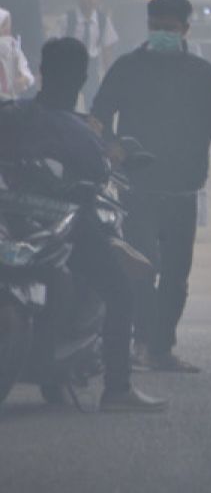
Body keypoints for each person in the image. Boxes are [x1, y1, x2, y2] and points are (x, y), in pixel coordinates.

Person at [0, 38, 166, 411]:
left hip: (12, 222)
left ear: (41, 72)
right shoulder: (79, 135)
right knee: (121, 290)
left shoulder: (12, 116)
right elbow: (97, 176)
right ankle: (118, 389)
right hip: (66, 227)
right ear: (82, 78)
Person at [92, 0, 211, 373]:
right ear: (148, 27)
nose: (163, 33)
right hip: (137, 189)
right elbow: (98, 115)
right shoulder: (127, 68)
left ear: (186, 30)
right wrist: (110, 148)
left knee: (177, 277)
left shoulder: (202, 74)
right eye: (157, 27)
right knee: (144, 269)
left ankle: (161, 348)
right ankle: (141, 342)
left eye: (170, 28)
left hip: (183, 191)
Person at [56, 0, 119, 108]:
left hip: (91, 65)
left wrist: (109, 74)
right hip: (70, 65)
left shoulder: (102, 21)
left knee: (93, 102)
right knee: (66, 102)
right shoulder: (68, 19)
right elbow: (56, 44)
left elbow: (107, 48)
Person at [0, 7, 34, 101]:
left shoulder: (14, 48)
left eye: (8, 25)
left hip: (12, 100)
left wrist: (24, 80)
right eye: (3, 25)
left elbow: (26, 72)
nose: (7, 29)